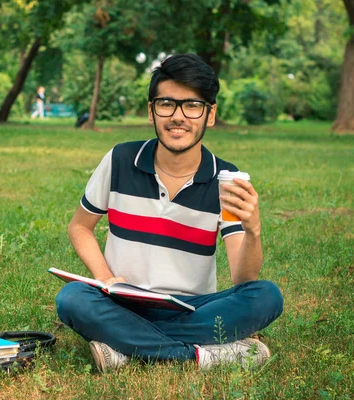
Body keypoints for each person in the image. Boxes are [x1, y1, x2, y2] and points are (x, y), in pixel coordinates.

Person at [55, 54, 283, 372]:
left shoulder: (226, 180)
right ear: (152, 111)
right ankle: (201, 355)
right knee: (72, 299)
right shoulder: (120, 159)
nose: (178, 117)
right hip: (124, 302)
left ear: (210, 115)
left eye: (192, 105)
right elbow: (80, 227)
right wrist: (106, 279)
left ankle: (124, 347)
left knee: (266, 296)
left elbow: (243, 280)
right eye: (166, 104)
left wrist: (254, 231)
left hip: (192, 308)